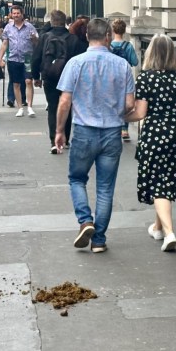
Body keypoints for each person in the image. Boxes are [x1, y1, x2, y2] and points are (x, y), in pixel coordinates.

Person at [54, 18, 135, 253]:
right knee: (105, 188)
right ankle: (99, 239)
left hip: (83, 131)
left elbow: (64, 101)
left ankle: (85, 220)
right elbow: (129, 103)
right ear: (108, 36)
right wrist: (114, 112)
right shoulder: (122, 66)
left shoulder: (76, 63)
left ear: (87, 36)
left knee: (77, 179)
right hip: (111, 132)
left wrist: (60, 131)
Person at [128, 34, 176, 253]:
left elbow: (140, 113)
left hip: (154, 134)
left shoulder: (146, 79)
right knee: (168, 180)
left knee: (159, 183)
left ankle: (169, 233)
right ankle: (158, 227)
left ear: (151, 53)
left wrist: (121, 117)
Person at [32, 9, 80, 153]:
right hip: (68, 77)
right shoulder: (73, 39)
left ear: (52, 22)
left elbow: (36, 58)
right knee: (68, 107)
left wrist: (36, 76)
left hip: (50, 76)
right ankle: (65, 138)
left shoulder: (45, 37)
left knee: (53, 107)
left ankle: (54, 140)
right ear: (65, 22)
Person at [0, 5, 39, 117]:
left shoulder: (30, 27)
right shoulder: (8, 27)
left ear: (22, 14)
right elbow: (5, 43)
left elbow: (37, 43)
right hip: (13, 59)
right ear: (11, 14)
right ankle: (20, 107)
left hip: (27, 59)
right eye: (14, 13)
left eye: (18, 13)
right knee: (16, 83)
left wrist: (34, 39)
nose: (16, 15)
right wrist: (0, 58)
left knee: (28, 81)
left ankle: (30, 107)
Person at [109, 18, 138, 142]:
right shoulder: (128, 46)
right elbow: (135, 62)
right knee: (125, 103)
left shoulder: (108, 46)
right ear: (124, 30)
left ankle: (112, 127)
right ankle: (124, 129)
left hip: (110, 77)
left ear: (112, 30)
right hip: (125, 76)